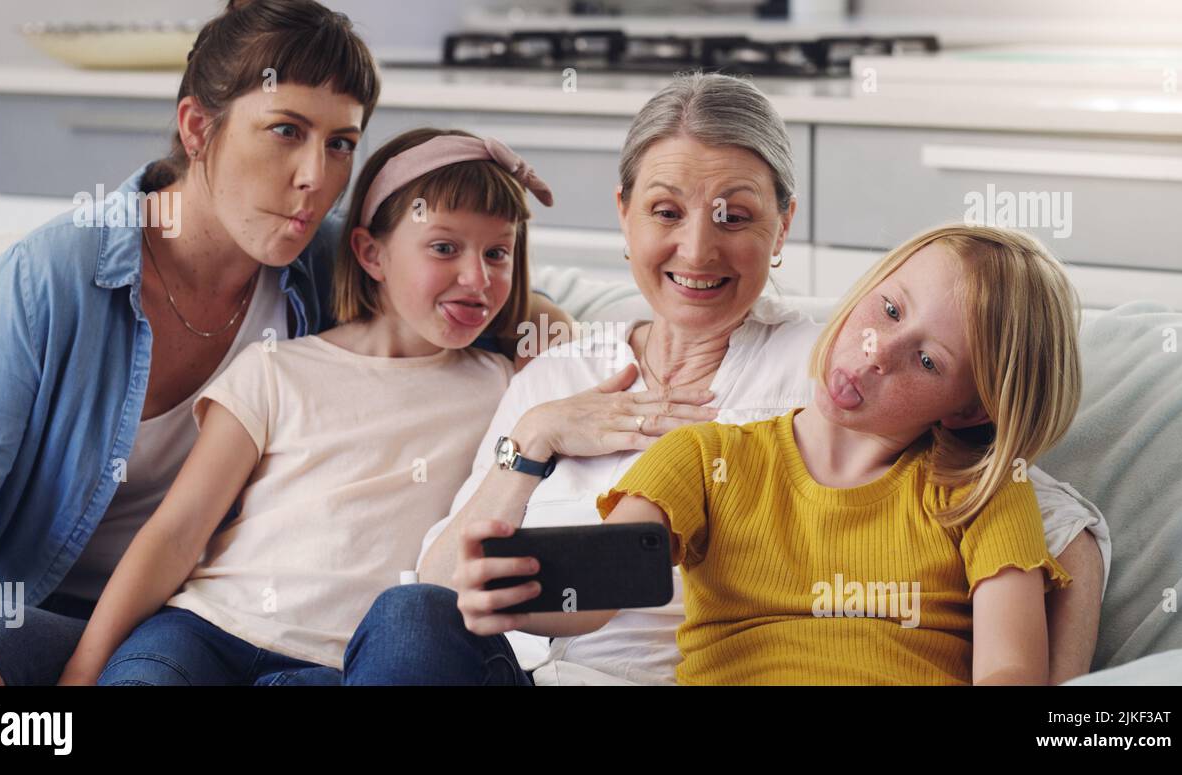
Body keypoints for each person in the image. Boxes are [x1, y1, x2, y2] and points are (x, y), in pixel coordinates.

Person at [341, 72, 1110, 686]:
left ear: (784, 223)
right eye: (666, 210)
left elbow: (1055, 522)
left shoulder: (826, 371)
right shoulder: (561, 374)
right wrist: (531, 444)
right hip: (533, 672)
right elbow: (446, 594)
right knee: (404, 622)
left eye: (735, 216)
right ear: (624, 214)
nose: (698, 249)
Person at [474, 225, 1082, 685]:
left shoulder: (982, 496)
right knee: (414, 612)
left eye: (928, 361)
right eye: (890, 310)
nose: (876, 352)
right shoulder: (705, 457)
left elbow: (1010, 675)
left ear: (970, 410)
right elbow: (604, 583)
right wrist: (511, 588)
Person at [56, 127, 548, 685]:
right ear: (371, 252)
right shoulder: (275, 370)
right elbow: (175, 534)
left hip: (344, 661)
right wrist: (80, 673)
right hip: (204, 631)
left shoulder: (505, 389)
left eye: (498, 253)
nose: (477, 278)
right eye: (443, 247)